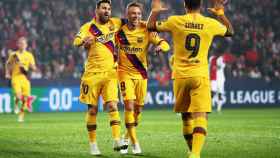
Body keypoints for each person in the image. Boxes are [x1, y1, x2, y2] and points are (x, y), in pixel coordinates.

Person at [147, 0, 234, 158]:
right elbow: (230, 31)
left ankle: (191, 151)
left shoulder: (175, 21)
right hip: (199, 75)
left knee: (186, 116)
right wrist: (221, 14)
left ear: (185, 5)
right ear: (200, 5)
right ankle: (195, 154)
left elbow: (150, 26)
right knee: (200, 116)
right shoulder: (210, 22)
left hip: (180, 76)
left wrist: (155, 10)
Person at [73, 0, 126, 155]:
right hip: (92, 75)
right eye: (104, 8)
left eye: (109, 8)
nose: (107, 11)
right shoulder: (87, 27)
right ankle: (93, 144)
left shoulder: (114, 23)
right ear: (97, 10)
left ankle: (117, 140)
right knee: (93, 111)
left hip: (110, 74)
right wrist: (84, 41)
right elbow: (76, 41)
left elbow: (132, 20)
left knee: (113, 106)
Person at [116, 2, 170, 155]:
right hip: (124, 73)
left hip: (141, 75)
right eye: (133, 13)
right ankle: (135, 143)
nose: (136, 16)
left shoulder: (146, 28)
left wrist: (161, 47)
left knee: (138, 111)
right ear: (127, 15)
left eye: (139, 14)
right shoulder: (119, 31)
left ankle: (126, 137)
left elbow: (164, 43)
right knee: (129, 106)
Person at [5, 37, 37, 122]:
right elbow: (8, 64)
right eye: (20, 43)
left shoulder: (29, 55)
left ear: (26, 45)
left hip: (25, 78)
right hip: (15, 78)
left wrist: (30, 67)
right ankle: (17, 103)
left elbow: (34, 68)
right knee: (19, 96)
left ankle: (21, 116)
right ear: (17, 44)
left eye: (23, 44)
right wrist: (7, 73)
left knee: (25, 100)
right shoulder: (14, 55)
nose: (22, 45)